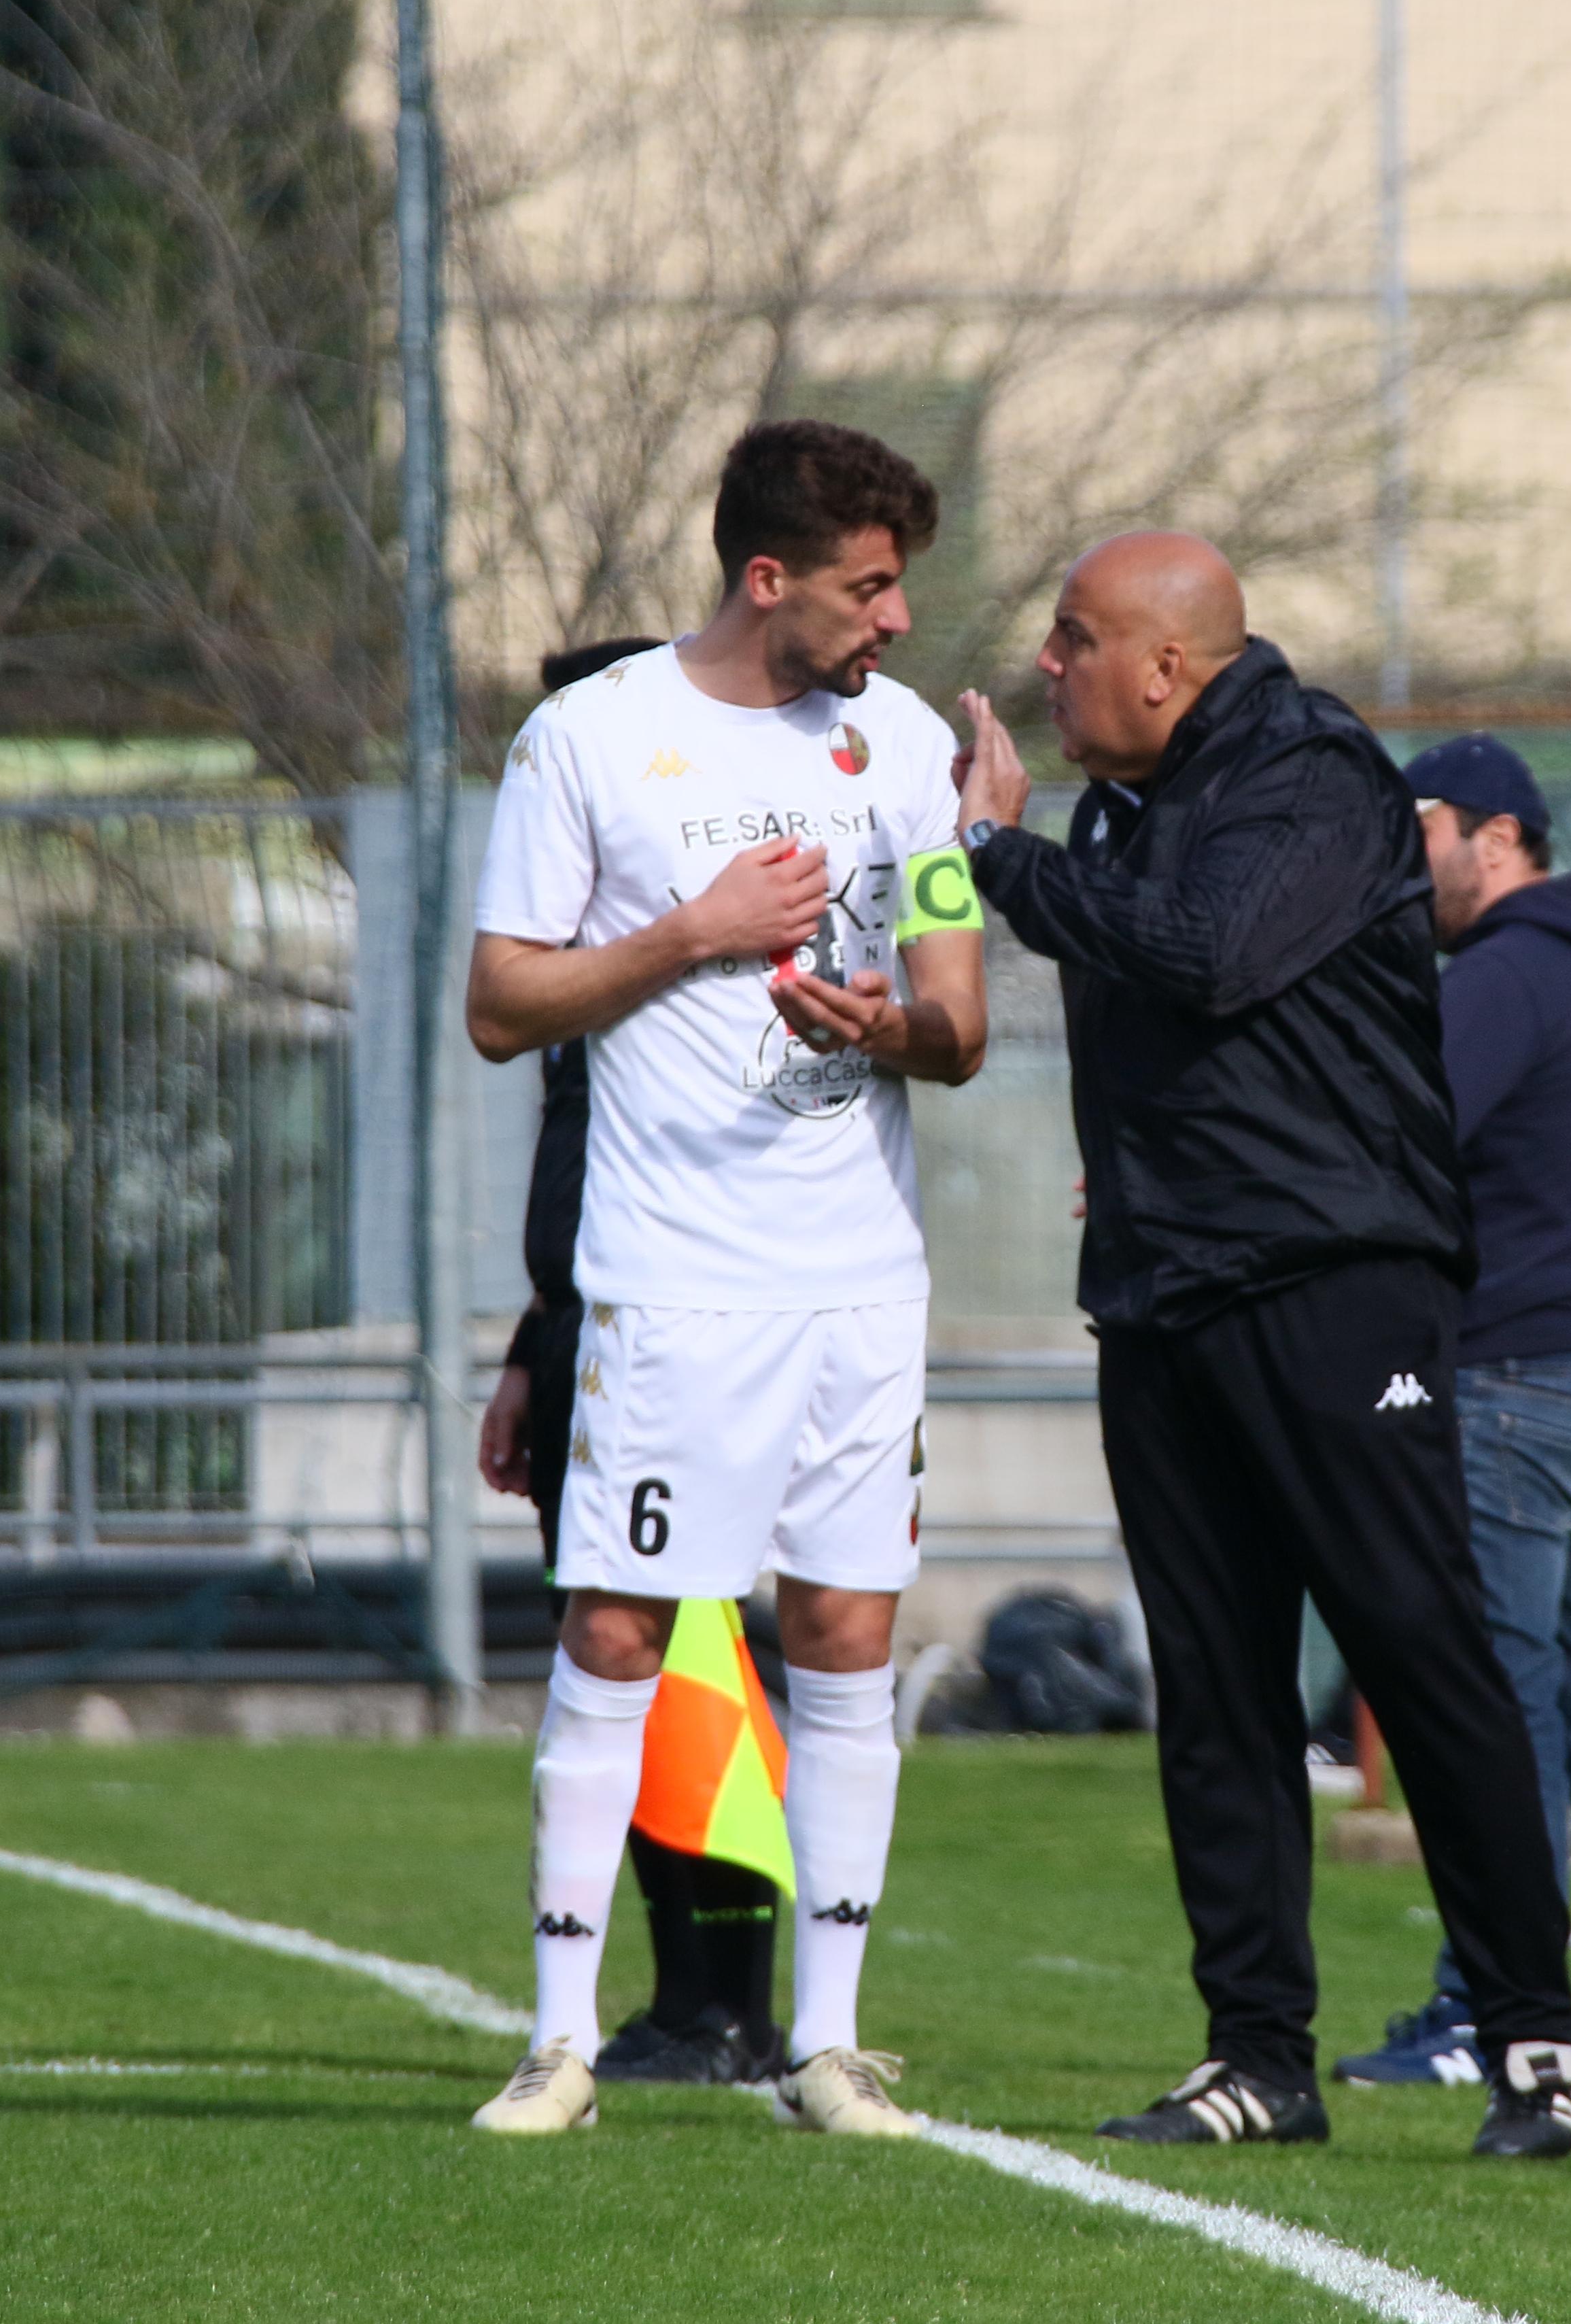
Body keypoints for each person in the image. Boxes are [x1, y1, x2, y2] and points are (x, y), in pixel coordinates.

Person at [952, 531, 1571, 2161]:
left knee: (1415, 1645)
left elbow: (1210, 953)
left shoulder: (1312, 772)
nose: (1049, 665)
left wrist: (994, 853)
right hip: (1164, 1293)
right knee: (1217, 1687)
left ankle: (1528, 2041)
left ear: (1168, 665)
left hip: (1335, 1285)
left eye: (1075, 637)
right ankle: (1258, 2059)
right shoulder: (1123, 810)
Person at [462, 422, 989, 2140]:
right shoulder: (591, 738)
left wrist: (885, 1026)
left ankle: (826, 2046)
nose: (895, 619)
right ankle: (559, 2042)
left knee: (845, 1632)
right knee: (618, 1628)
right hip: (672, 1282)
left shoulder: (907, 749)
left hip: (858, 1291)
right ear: (769, 580)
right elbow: (500, 1003)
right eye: (869, 586)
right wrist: (691, 932)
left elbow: (960, 1021)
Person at [1330, 731, 1571, 2100]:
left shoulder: (1502, 975)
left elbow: (1395, 1149)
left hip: (1508, 1386)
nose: (1402, 862)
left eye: (1417, 830)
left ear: (1496, 836)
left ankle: (1486, 2014)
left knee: (1501, 1714)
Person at [477, 633, 790, 2090]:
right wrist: (530, 1346)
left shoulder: (693, 952)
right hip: (588, 1329)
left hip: (675, 1333)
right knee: (632, 1658)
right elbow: (573, 1168)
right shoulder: (590, 956)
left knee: (682, 1653)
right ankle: (684, 1993)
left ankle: (729, 2000)